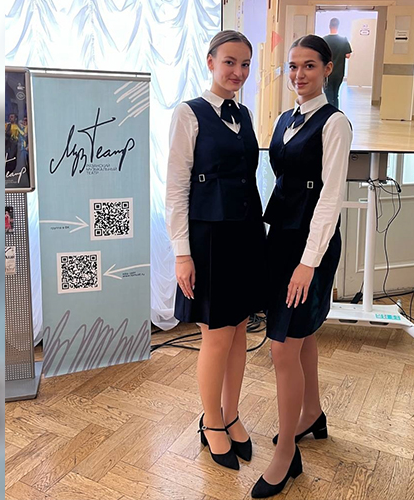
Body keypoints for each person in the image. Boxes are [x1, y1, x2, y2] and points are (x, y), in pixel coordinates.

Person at [251, 34, 352, 499]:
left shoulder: (335, 124)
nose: (298, 75)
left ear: (328, 69)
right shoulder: (284, 119)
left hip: (312, 246)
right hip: (282, 238)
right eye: (292, 66)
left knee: (282, 349)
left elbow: (330, 198)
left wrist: (308, 263)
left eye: (309, 65)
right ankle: (311, 414)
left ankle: (286, 454)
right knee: (301, 334)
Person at [166, 30, 264, 471]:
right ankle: (210, 421)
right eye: (229, 62)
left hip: (245, 235)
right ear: (210, 62)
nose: (237, 72)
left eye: (245, 65)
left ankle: (231, 413)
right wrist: (181, 253)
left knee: (240, 330)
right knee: (217, 335)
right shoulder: (189, 113)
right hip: (208, 240)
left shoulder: (245, 115)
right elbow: (175, 188)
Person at [323, 18, 353, 109]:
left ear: (329, 26)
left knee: (328, 95)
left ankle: (329, 113)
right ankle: (335, 112)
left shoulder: (324, 40)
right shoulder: (343, 40)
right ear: (338, 26)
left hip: (327, 72)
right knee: (336, 95)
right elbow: (348, 55)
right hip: (339, 72)